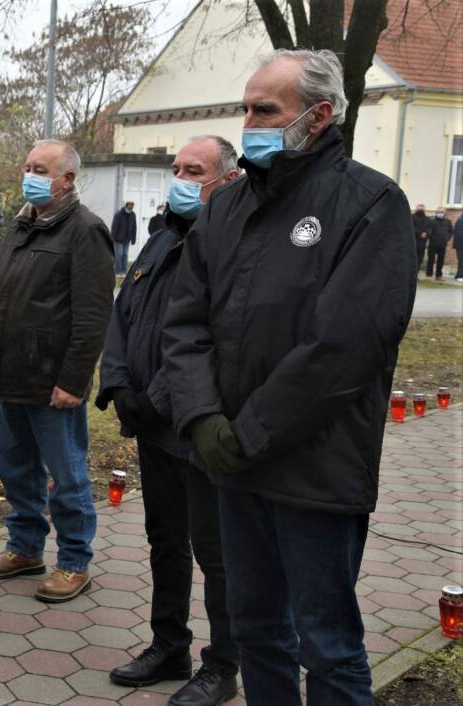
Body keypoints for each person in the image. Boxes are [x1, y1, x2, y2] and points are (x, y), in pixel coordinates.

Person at [162, 50, 416, 705]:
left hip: (315, 472)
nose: (248, 122)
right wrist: (201, 418)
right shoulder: (225, 209)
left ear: (319, 115)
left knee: (325, 644)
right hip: (232, 466)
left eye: (263, 110)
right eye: (245, 108)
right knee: (255, 632)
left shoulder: (370, 204)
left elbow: (343, 347)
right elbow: (183, 322)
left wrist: (248, 433)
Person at [97, 135, 241, 706]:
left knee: (215, 551)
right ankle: (169, 643)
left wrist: (152, 398)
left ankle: (223, 665)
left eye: (194, 170)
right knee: (165, 540)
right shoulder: (159, 240)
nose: (179, 178)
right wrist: (117, 384)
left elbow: (206, 335)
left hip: (197, 424)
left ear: (226, 180)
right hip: (152, 425)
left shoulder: (230, 245)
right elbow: (123, 316)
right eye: (176, 168)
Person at [0, 139, 113, 603]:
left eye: (41, 168)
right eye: (28, 165)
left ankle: (74, 562)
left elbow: (94, 315)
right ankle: (25, 547)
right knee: (16, 467)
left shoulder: (85, 231)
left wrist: (74, 380)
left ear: (67, 179)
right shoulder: (21, 225)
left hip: (54, 381)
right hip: (13, 373)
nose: (29, 174)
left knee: (67, 473)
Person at [110, 200, 137, 275]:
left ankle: (124, 271)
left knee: (125, 255)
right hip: (118, 239)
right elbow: (114, 227)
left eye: (132, 205)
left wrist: (133, 239)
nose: (131, 207)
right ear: (126, 205)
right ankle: (118, 271)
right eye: (130, 205)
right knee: (119, 255)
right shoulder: (118, 214)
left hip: (127, 239)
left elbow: (134, 227)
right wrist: (112, 238)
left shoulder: (133, 215)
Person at [427, 207, 451, 280]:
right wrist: (433, 238)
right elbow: (429, 231)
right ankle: (429, 274)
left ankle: (438, 275)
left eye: (442, 212)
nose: (440, 213)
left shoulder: (447, 221)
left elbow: (451, 231)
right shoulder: (432, 221)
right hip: (433, 244)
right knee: (431, 260)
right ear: (436, 213)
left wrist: (447, 238)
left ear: (445, 213)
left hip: (443, 244)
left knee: (441, 261)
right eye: (439, 212)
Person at [412, 203, 430, 274]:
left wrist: (426, 233)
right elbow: (411, 227)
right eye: (419, 208)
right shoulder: (411, 217)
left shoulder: (427, 219)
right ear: (416, 209)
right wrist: (420, 233)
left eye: (422, 209)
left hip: (422, 243)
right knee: (412, 259)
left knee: (419, 259)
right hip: (413, 242)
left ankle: (416, 274)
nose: (420, 210)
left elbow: (430, 228)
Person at [454, 213, 463, 281]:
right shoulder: (460, 221)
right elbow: (459, 234)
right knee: (461, 260)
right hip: (460, 245)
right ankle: (459, 275)